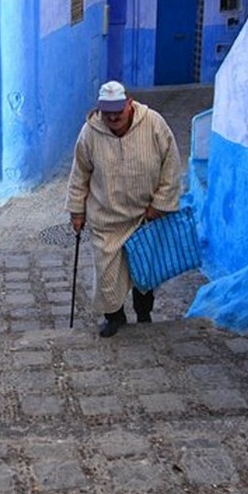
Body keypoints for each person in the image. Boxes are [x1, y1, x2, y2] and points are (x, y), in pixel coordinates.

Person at [66, 81, 182, 337]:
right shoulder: (90, 132)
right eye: (107, 113)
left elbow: (171, 166)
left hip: (145, 216)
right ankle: (114, 318)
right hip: (106, 218)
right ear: (99, 110)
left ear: (129, 104)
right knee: (107, 275)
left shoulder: (153, 123)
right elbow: (80, 174)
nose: (114, 117)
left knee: (145, 273)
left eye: (118, 110)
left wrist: (160, 205)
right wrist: (77, 212)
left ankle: (144, 315)